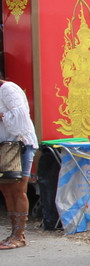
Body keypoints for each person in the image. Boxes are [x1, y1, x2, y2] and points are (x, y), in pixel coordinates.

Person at [0, 76, 37, 249]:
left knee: (18, 190)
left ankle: (20, 236)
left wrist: (1, 115)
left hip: (20, 145)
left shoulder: (8, 89)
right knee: (6, 190)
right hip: (5, 147)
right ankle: (13, 234)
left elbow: (21, 121)